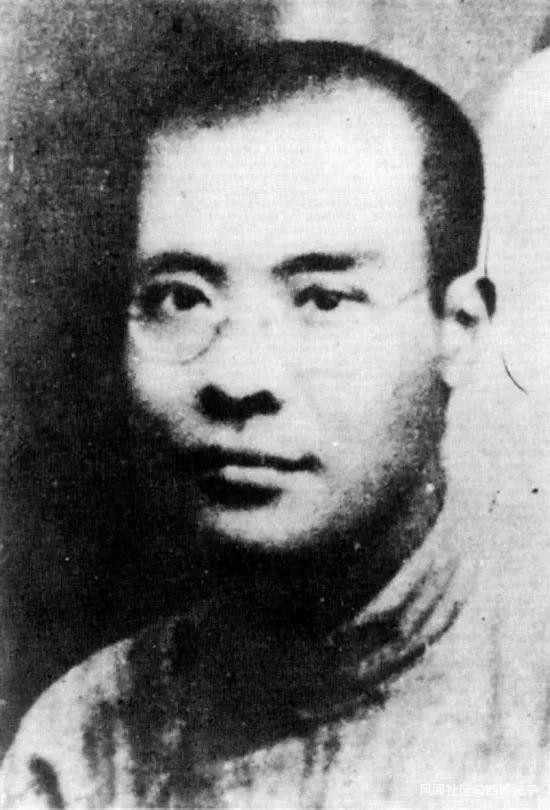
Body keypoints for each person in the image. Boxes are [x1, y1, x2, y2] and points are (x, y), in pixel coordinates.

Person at [1, 38, 547, 809]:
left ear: (458, 329)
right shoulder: (80, 748)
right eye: (181, 298)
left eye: (323, 299)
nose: (238, 379)